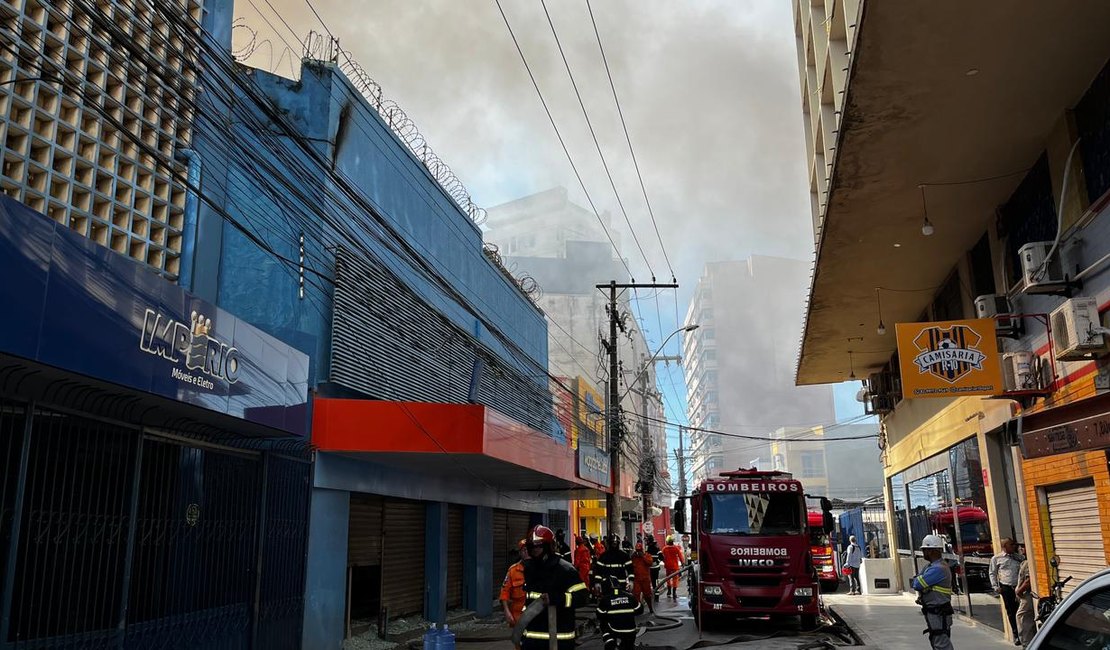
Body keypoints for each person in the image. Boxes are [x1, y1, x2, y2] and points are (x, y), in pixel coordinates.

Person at [520, 525, 590, 650]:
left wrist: (556, 599)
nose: (535, 550)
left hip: (559, 639)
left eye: (539, 546)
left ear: (548, 546)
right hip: (532, 640)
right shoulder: (530, 570)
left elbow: (582, 597)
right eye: (532, 547)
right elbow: (528, 601)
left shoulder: (565, 569)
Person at [911, 534, 956, 650]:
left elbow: (916, 583)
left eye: (925, 550)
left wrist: (921, 582)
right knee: (937, 641)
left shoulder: (937, 569)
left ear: (932, 551)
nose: (924, 553)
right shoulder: (931, 566)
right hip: (935, 612)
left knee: (941, 643)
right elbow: (917, 580)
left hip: (938, 613)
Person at [990, 538, 1024, 644]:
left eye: (1014, 544)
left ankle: (1024, 633)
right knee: (1011, 611)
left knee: (1021, 611)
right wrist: (996, 586)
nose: (1014, 546)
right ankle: (1016, 634)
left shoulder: (1019, 557)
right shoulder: (997, 558)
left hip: (1019, 586)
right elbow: (992, 573)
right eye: (1011, 545)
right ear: (1004, 547)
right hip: (1006, 587)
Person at [596, 575, 643, 650]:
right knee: (628, 646)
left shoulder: (605, 599)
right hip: (630, 631)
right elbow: (640, 610)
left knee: (603, 623)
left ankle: (609, 640)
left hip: (614, 630)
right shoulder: (630, 596)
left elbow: (599, 615)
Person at [499, 539, 528, 627]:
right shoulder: (513, 570)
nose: (526, 552)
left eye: (528, 550)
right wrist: (507, 612)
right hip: (518, 618)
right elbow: (504, 593)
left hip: (535, 616)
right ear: (520, 553)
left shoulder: (540, 568)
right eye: (524, 550)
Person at [1015, 554, 1036, 646]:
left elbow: (1028, 580)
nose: (1021, 549)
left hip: (1027, 594)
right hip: (1024, 595)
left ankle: (1027, 642)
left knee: (1022, 616)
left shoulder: (1028, 563)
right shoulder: (1024, 562)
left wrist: (1019, 591)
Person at [630, 543, 655, 614]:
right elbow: (630, 565)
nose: (638, 552)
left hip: (645, 579)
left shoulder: (647, 555)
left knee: (647, 595)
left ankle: (650, 608)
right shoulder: (634, 557)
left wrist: (643, 556)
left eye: (639, 550)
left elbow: (650, 562)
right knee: (636, 594)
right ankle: (638, 609)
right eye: (637, 550)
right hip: (636, 579)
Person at [661, 536, 685, 600]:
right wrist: (683, 563)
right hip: (675, 566)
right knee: (675, 579)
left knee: (668, 578)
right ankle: (674, 593)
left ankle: (669, 591)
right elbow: (680, 556)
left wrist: (664, 561)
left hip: (668, 566)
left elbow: (661, 556)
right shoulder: (676, 548)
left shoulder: (664, 548)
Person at [645, 535, 662, 603]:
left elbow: (661, 557)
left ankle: (656, 596)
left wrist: (656, 561)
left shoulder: (655, 547)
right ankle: (652, 596)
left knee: (654, 582)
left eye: (647, 540)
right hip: (650, 568)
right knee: (652, 582)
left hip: (654, 568)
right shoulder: (648, 547)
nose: (646, 542)